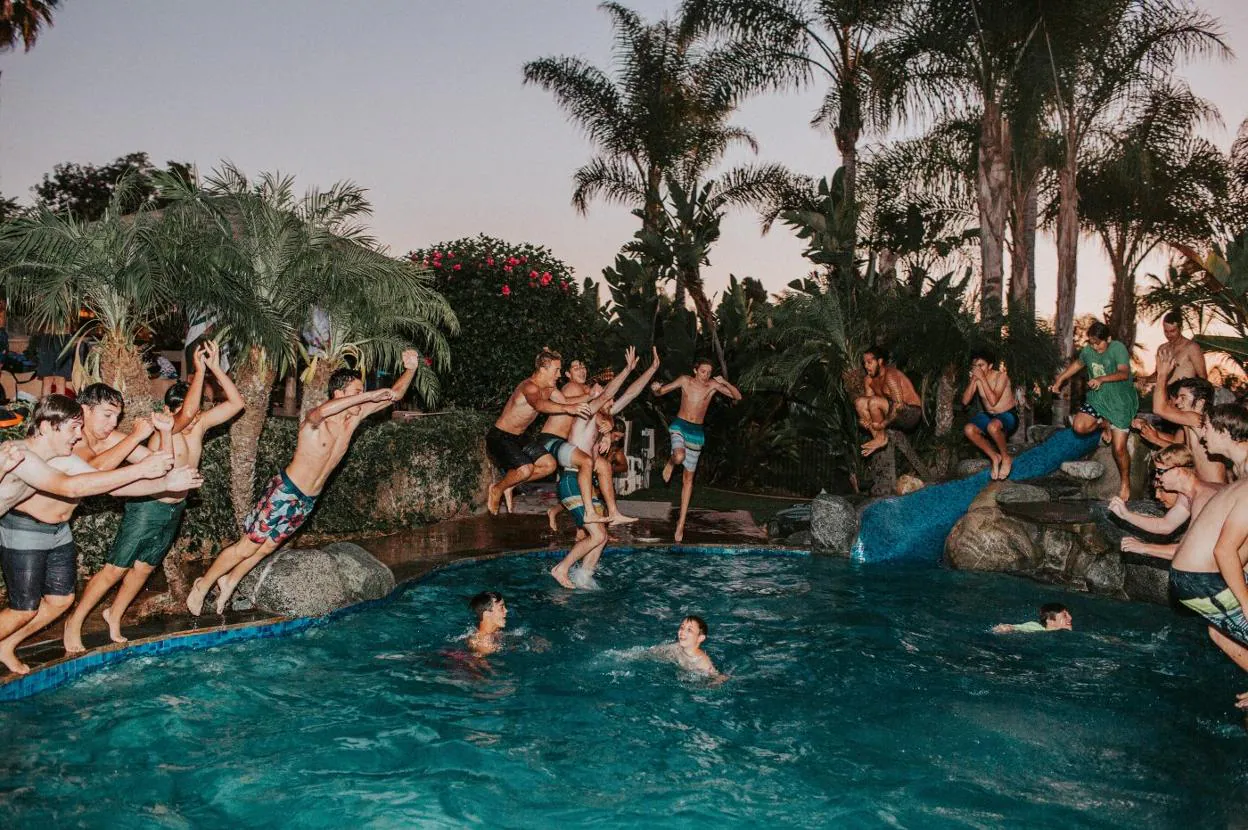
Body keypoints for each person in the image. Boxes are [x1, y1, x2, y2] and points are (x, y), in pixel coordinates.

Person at [186, 350, 422, 616]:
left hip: (307, 500)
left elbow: (395, 394)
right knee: (248, 544)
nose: (361, 395)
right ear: (339, 394)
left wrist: (411, 369)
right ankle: (202, 585)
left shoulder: (353, 418)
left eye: (362, 391)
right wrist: (368, 395)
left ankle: (230, 580)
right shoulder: (315, 420)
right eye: (355, 391)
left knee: (268, 546)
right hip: (285, 491)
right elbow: (322, 411)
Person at [63, 341, 244, 652]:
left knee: (145, 568)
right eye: (107, 416)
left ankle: (114, 615)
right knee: (116, 569)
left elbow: (161, 460)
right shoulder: (169, 426)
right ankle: (74, 621)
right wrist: (200, 370)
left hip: (174, 508)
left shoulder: (195, 426)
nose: (192, 415)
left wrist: (213, 369)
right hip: (148, 507)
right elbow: (182, 416)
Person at [0, 397, 202, 674]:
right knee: (23, 609)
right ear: (47, 427)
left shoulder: (62, 458)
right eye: (73, 428)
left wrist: (165, 483)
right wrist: (140, 469)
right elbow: (69, 487)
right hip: (23, 529)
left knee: (61, 600)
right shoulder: (19, 454)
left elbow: (111, 488)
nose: (78, 435)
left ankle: (6, 644)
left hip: (56, 531)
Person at [549, 348, 660, 588]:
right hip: (571, 480)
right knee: (597, 535)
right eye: (598, 391)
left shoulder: (603, 416)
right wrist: (627, 370)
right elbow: (611, 390)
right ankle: (561, 568)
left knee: (601, 537)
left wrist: (651, 370)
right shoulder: (587, 410)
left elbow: (630, 393)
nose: (605, 396)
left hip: (586, 482)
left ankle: (584, 576)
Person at [1166, 404, 1248, 707]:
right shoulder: (1242, 474)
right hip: (1204, 580)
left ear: (1227, 432)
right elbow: (1225, 549)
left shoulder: (1242, 474)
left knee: (1219, 633)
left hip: (1194, 580)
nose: (1201, 435)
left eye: (1208, 428)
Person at [484, 349, 596, 515]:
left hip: (520, 437)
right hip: (500, 436)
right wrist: (569, 409)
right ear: (543, 369)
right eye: (556, 370)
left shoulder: (549, 387)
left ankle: (509, 485)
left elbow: (564, 400)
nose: (559, 375)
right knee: (525, 469)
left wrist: (591, 396)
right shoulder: (529, 387)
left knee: (549, 465)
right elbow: (540, 405)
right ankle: (497, 489)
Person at [536, 349, 639, 527]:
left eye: (583, 366)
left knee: (604, 466)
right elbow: (584, 404)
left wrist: (607, 428)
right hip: (552, 440)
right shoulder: (572, 387)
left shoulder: (589, 394)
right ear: (567, 374)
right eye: (576, 368)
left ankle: (613, 512)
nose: (581, 369)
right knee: (586, 463)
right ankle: (509, 485)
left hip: (569, 448)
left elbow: (619, 398)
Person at [650, 358, 742, 543]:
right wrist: (655, 389)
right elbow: (661, 392)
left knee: (688, 479)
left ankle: (681, 523)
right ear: (695, 370)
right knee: (679, 455)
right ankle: (671, 461)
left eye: (708, 372)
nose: (705, 375)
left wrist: (724, 382)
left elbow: (737, 397)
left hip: (697, 432)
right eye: (702, 371)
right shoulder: (685, 380)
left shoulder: (713, 385)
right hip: (680, 426)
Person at [1050, 321, 1138, 501]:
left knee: (1119, 449)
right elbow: (1077, 364)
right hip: (1098, 400)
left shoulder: (1117, 348)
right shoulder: (1089, 350)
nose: (1094, 346)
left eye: (1098, 342)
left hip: (1120, 401)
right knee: (1079, 427)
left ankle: (1125, 483)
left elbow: (1123, 373)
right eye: (1091, 342)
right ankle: (1104, 424)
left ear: (1109, 339)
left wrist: (1102, 379)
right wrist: (1060, 380)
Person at [1112, 444, 1222, 560]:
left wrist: (1143, 547)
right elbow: (1165, 525)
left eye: (1160, 471)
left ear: (1178, 471)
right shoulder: (1187, 495)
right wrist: (1126, 515)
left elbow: (1191, 550)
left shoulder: (1203, 499)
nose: (1158, 478)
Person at [1135, 368, 1227, 485]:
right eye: (1178, 397)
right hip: (1203, 485)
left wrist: (1162, 375)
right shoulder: (1189, 424)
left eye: (1183, 397)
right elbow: (1178, 445)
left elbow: (1159, 409)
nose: (1177, 402)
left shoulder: (1198, 419)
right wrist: (1146, 427)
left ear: (1200, 403)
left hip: (1214, 488)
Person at [960, 348, 1018, 480]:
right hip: (990, 415)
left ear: (990, 366)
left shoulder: (1001, 376)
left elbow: (993, 401)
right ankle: (995, 457)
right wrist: (974, 381)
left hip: (1008, 415)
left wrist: (981, 379)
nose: (978, 369)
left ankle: (1006, 457)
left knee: (993, 426)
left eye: (981, 365)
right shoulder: (977, 379)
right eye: (975, 366)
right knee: (968, 429)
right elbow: (964, 401)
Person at [854, 346, 923, 458]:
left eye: (869, 362)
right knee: (859, 402)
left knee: (874, 402)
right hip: (892, 413)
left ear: (880, 362)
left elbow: (899, 406)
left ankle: (881, 438)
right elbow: (866, 406)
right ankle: (879, 438)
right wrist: (863, 420)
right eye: (864, 363)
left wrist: (883, 424)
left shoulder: (890, 375)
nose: (866, 366)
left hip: (911, 413)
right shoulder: (869, 380)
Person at [650, 615, 725, 680]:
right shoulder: (676, 647)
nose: (682, 632)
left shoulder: (702, 662)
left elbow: (719, 678)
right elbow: (651, 653)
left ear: (700, 638)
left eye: (689, 630)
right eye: (682, 628)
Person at [1155, 309, 1207, 382]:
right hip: (1164, 392)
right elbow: (1157, 375)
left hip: (1183, 392)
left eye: (1172, 331)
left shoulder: (1192, 348)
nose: (1169, 335)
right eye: (1166, 331)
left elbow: (1203, 378)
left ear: (1181, 329)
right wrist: (1144, 379)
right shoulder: (1162, 349)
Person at [467, 591, 507, 657]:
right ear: (487, 614)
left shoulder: (496, 633)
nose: (506, 611)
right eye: (501, 607)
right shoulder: (484, 647)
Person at [992, 603, 1073, 634]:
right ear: (1050, 620)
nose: (1070, 618)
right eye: (1065, 615)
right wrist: (1007, 627)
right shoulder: (1037, 628)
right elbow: (1015, 627)